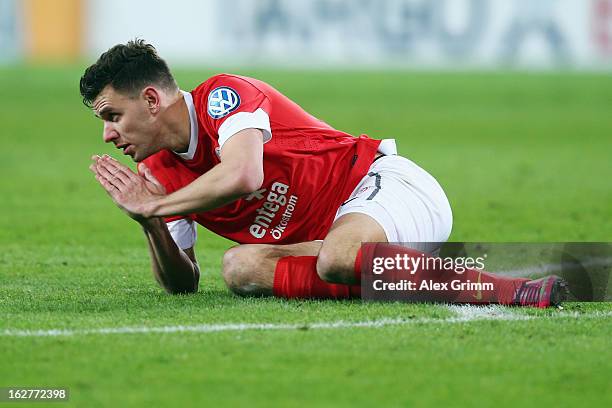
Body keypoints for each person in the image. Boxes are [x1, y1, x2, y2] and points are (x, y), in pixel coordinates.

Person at [81, 39, 566, 307]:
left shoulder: (221, 97)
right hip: (337, 244)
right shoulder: (160, 172)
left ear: (150, 100)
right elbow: (182, 285)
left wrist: (158, 205)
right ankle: (409, 275)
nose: (108, 135)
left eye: (112, 116)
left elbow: (245, 173)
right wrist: (151, 224)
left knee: (338, 257)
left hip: (387, 188)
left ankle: (512, 288)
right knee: (239, 267)